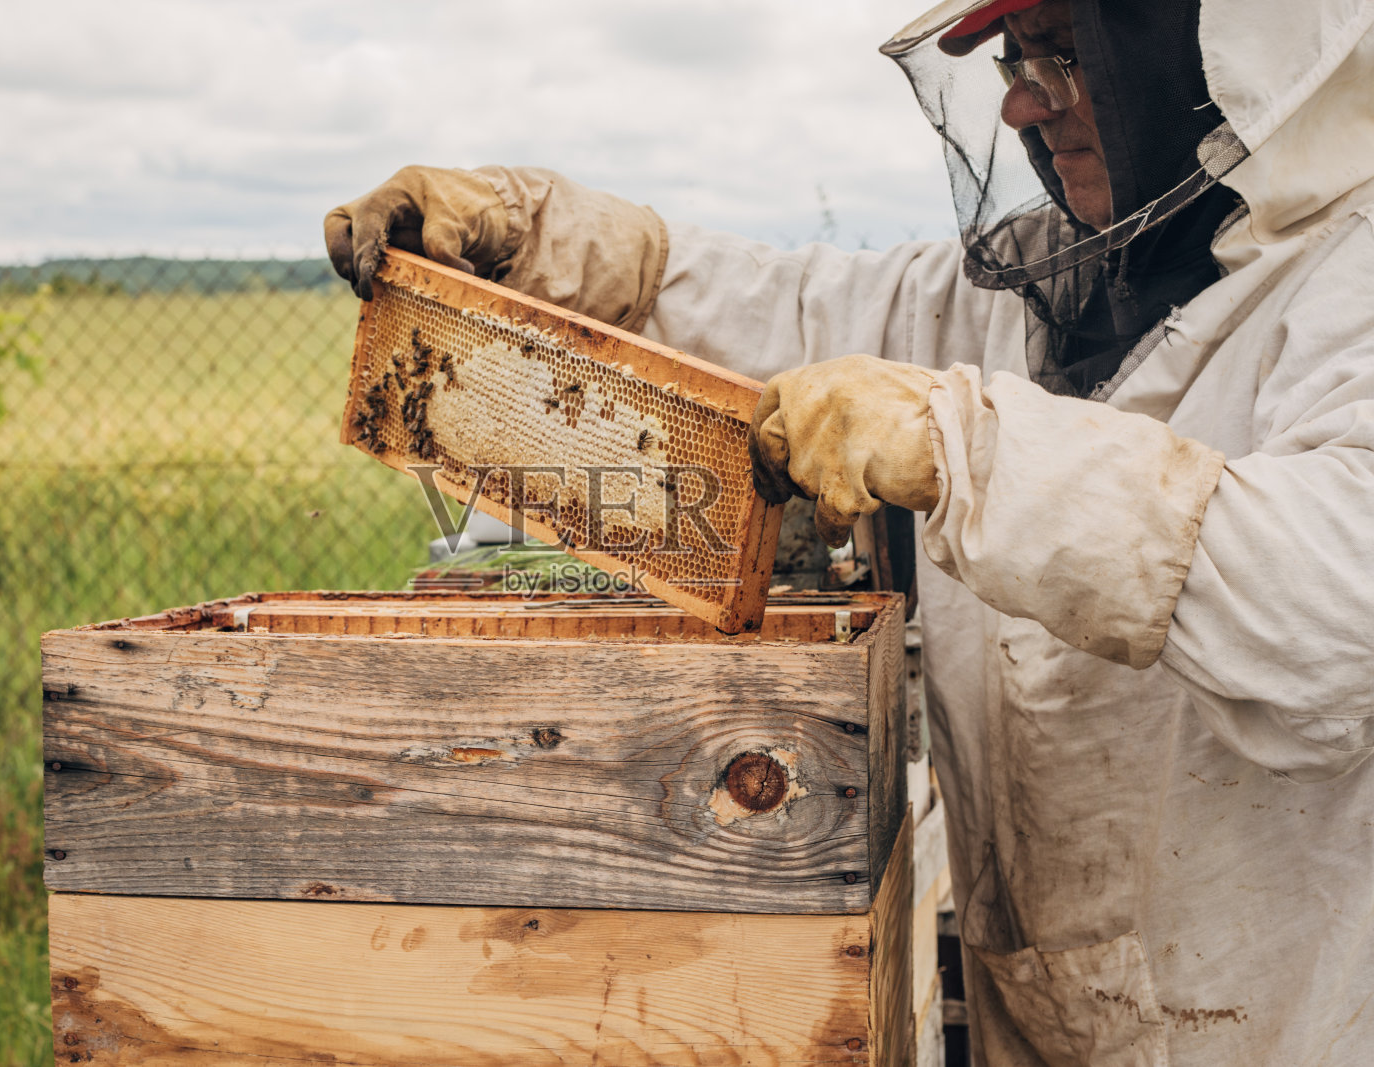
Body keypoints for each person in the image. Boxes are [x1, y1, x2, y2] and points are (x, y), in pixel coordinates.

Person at [324, 0, 1374, 1060]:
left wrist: (970, 450)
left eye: (1064, 58)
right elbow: (789, 308)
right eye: (1016, 63)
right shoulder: (1039, 285)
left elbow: (1333, 603)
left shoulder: (1350, 277)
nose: (1018, 102)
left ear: (1210, 61)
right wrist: (551, 239)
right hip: (1055, 1011)